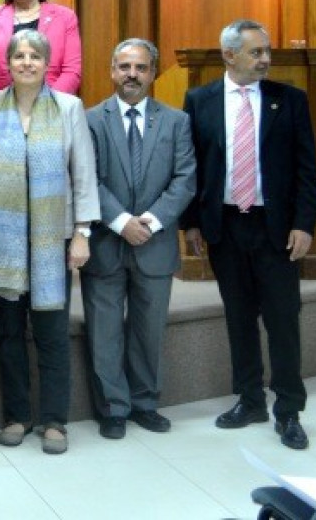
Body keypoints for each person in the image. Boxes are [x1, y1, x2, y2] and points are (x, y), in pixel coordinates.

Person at [182, 19, 316, 451]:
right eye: (256, 52)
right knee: (239, 317)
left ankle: (289, 410)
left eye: (266, 51)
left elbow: (305, 170)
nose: (265, 59)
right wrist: (191, 224)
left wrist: (304, 223)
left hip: (275, 228)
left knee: (282, 319)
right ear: (229, 55)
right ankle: (249, 399)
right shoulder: (199, 100)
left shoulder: (289, 100)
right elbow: (193, 167)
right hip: (225, 225)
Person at [0, 28, 99, 455]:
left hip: (52, 241)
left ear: (48, 64)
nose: (26, 62)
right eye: (18, 56)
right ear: (7, 64)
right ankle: (17, 415)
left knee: (51, 332)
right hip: (5, 243)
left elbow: (82, 172)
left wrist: (82, 232)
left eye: (34, 56)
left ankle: (54, 420)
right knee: (8, 332)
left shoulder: (68, 107)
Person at [82, 39, 195, 439]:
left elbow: (185, 179)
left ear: (153, 73)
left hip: (155, 243)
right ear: (112, 70)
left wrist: (149, 221)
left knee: (149, 329)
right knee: (105, 330)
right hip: (106, 242)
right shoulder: (90, 119)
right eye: (125, 67)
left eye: (141, 68)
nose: (132, 74)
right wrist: (121, 221)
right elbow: (87, 178)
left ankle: (145, 402)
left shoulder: (176, 121)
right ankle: (113, 408)